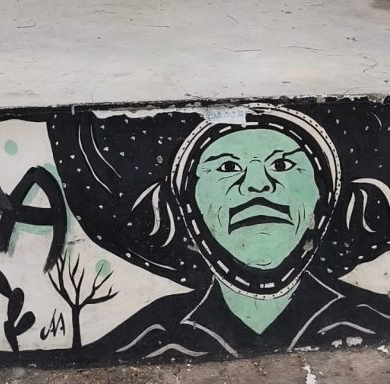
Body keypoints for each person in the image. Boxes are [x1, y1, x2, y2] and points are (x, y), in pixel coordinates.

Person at [98, 106, 390, 359]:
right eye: (227, 167)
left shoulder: (372, 317)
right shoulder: (153, 336)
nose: (257, 184)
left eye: (282, 164)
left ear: (323, 195)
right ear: (187, 204)